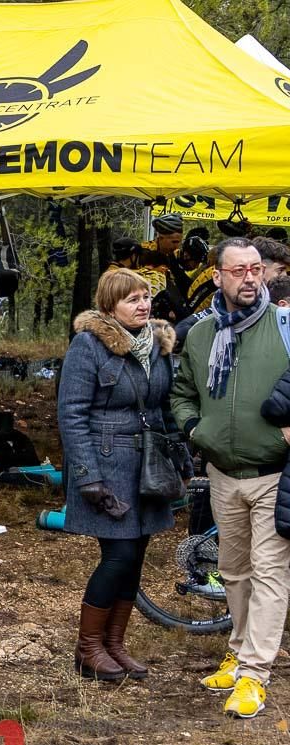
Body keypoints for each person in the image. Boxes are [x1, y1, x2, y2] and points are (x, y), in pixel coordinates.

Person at [171, 237, 290, 719]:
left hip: (273, 473)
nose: (250, 278)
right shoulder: (200, 335)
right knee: (235, 573)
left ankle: (254, 675)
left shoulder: (284, 326)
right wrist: (195, 430)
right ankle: (239, 651)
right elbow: (182, 391)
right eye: (238, 270)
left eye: (256, 269)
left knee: (269, 572)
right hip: (221, 472)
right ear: (217, 276)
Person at [58, 269, 182, 682]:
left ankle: (114, 645)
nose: (143, 304)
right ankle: (88, 648)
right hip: (106, 466)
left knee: (136, 560)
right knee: (119, 556)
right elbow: (71, 414)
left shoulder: (157, 347)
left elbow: (162, 409)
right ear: (110, 306)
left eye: (146, 297)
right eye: (132, 299)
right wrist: (87, 476)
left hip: (146, 468)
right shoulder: (88, 345)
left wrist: (177, 454)